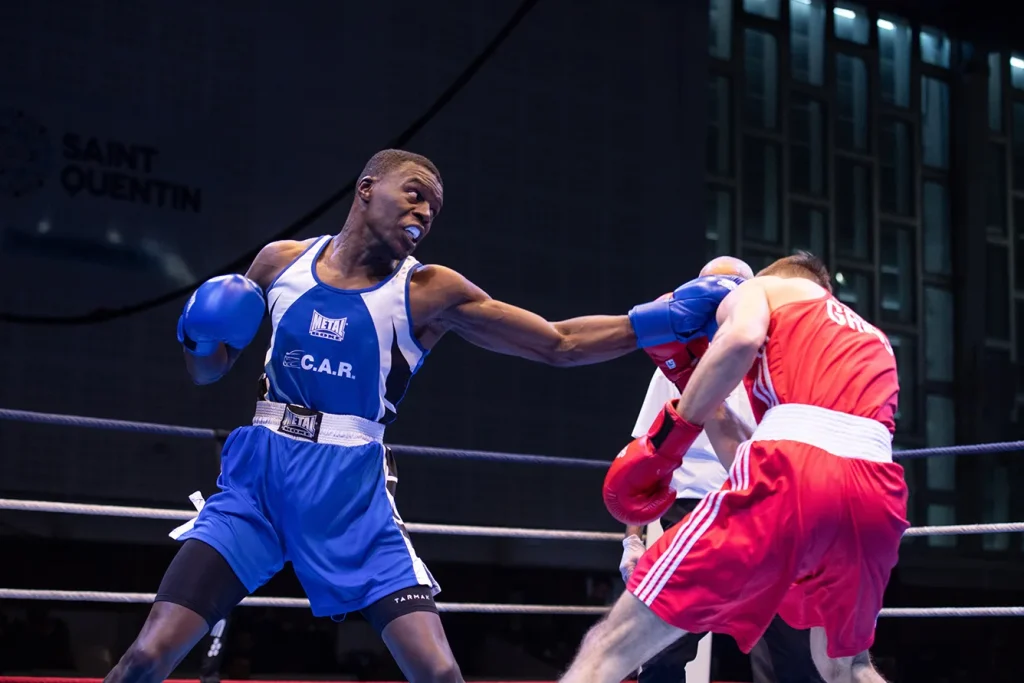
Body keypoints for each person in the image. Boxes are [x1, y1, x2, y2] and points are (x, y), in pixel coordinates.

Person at [103, 149, 720, 683]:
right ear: (367, 190)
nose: (424, 213)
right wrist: (198, 334)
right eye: (415, 195)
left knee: (439, 672)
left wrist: (663, 319)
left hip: (349, 493)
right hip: (256, 484)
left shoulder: (427, 291)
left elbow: (556, 343)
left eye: (433, 209)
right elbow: (207, 372)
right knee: (147, 657)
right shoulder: (277, 263)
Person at [562, 252, 908, 683]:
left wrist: (667, 445)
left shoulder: (761, 290)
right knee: (848, 667)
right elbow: (772, 443)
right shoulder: (869, 337)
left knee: (611, 644)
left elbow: (740, 339)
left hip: (786, 482)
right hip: (878, 495)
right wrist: (691, 376)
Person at [620, 258, 824, 683]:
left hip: (763, 510)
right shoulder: (676, 358)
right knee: (661, 649)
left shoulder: (776, 361)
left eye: (727, 288)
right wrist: (632, 541)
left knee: (793, 654)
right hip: (692, 512)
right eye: (707, 287)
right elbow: (642, 453)